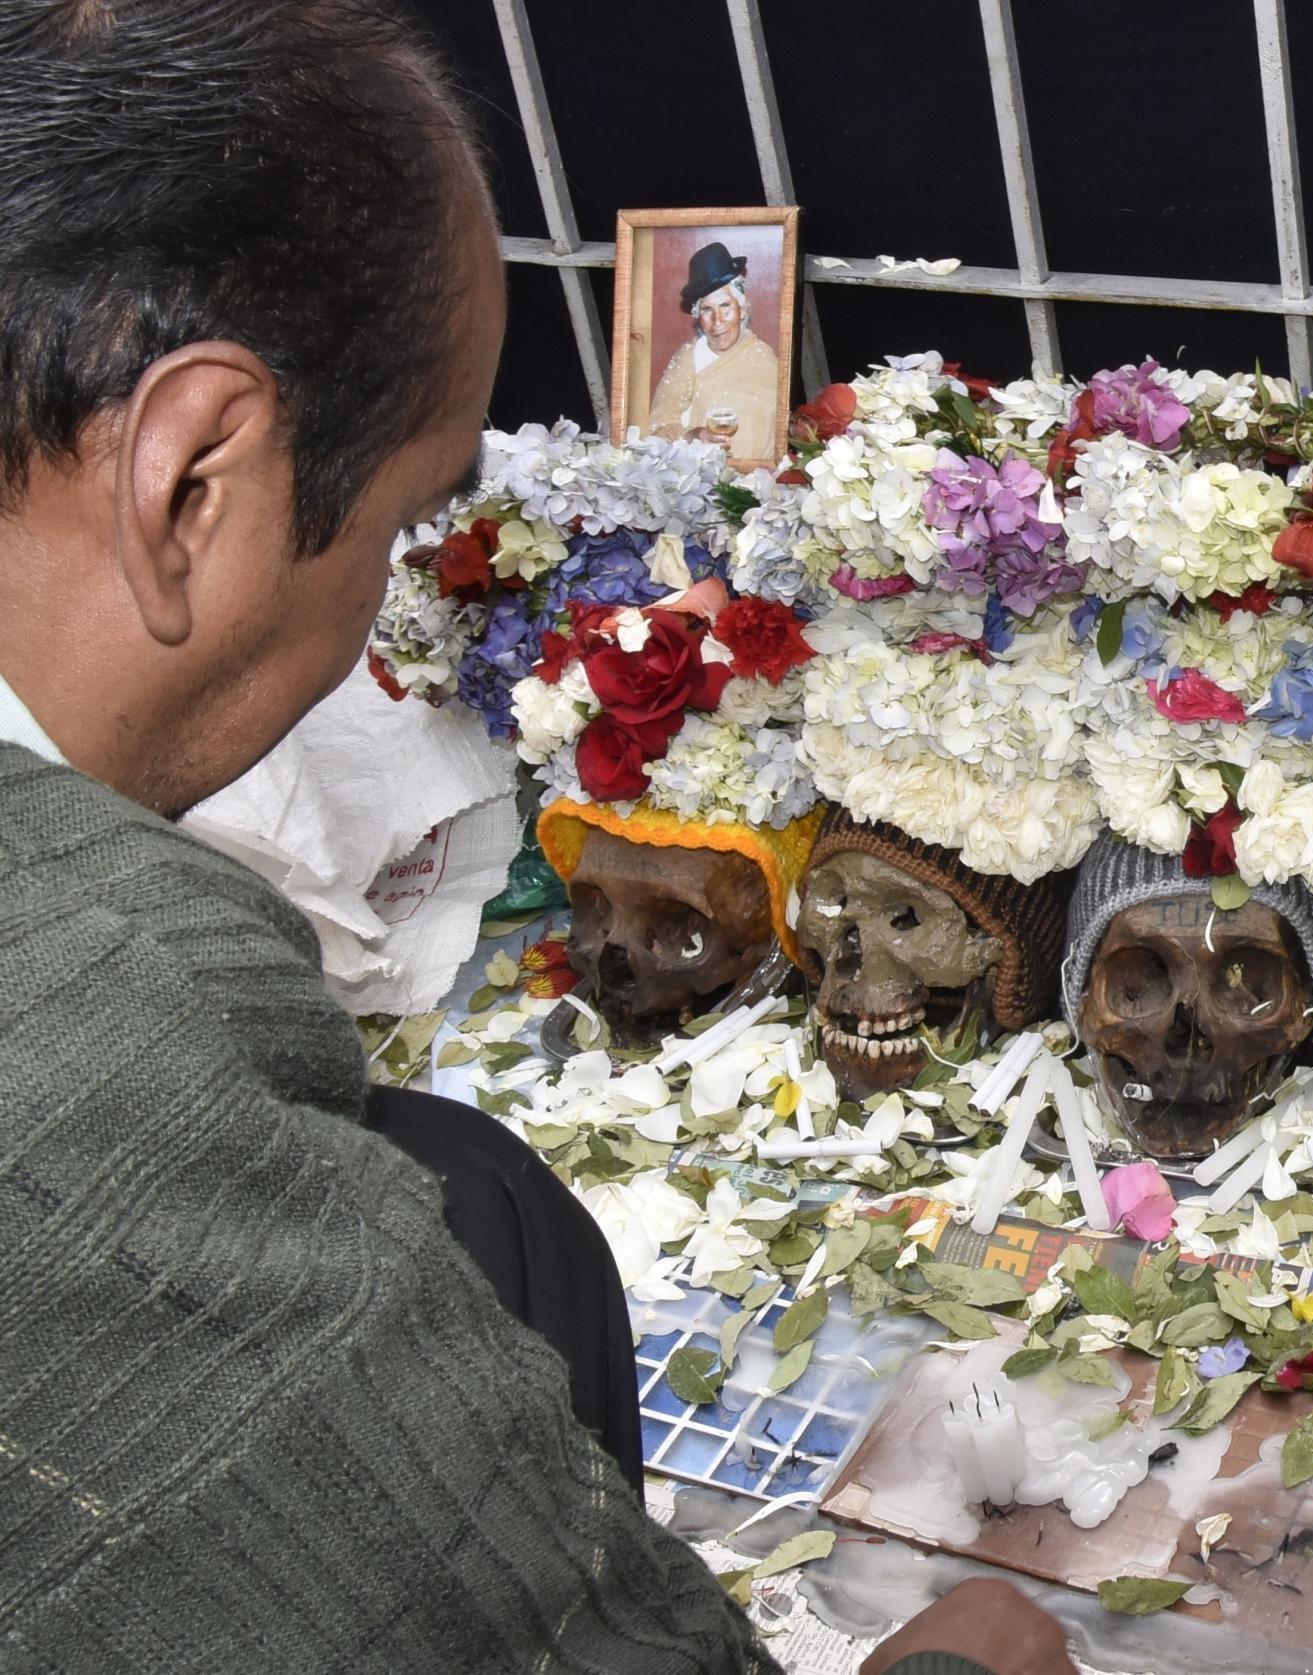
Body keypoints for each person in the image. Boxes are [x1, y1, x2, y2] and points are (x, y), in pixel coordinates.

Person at [0, 4, 1073, 1671]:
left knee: (473, 1194)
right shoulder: (111, 1015)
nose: (385, 592)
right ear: (190, 480)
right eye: (413, 511)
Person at [647, 241, 784, 458]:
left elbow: (779, 436)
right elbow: (657, 430)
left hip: (758, 482)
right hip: (698, 480)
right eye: (707, 310)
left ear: (743, 307)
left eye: (725, 306)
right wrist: (692, 436)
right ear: (696, 316)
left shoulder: (765, 360)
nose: (717, 321)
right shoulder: (690, 356)